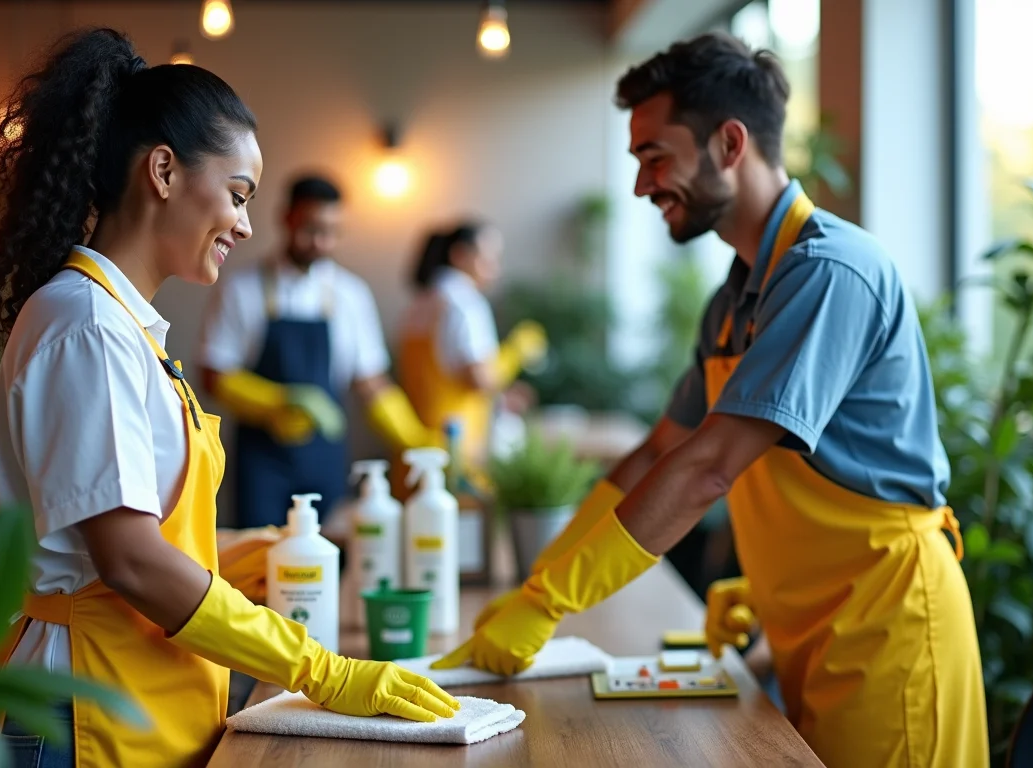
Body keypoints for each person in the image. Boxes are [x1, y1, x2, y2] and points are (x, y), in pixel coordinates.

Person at [433, 32, 988, 767]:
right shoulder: (734, 298)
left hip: (889, 628)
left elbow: (708, 467)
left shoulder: (830, 273)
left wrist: (552, 603)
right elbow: (661, 450)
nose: (640, 185)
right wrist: (538, 585)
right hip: (808, 628)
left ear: (730, 143)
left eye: (655, 157)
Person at [0, 29, 457, 768]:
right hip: (79, 715)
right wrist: (320, 671)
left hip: (134, 700)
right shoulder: (87, 325)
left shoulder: (120, 324)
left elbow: (131, 535)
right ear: (163, 171)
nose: (244, 223)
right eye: (237, 196)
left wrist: (247, 556)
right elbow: (129, 562)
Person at [198, 174, 439, 528]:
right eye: (310, 229)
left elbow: (370, 382)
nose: (321, 242)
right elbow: (212, 374)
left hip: (325, 460)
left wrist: (414, 438)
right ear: (286, 218)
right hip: (261, 462)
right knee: (256, 561)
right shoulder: (241, 288)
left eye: (331, 231)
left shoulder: (351, 295)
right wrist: (277, 404)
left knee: (328, 558)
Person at [397, 221, 547, 469]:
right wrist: (514, 355)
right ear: (460, 255)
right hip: (457, 444)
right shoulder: (466, 303)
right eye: (489, 258)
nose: (496, 269)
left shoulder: (420, 302)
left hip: (413, 447)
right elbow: (478, 377)